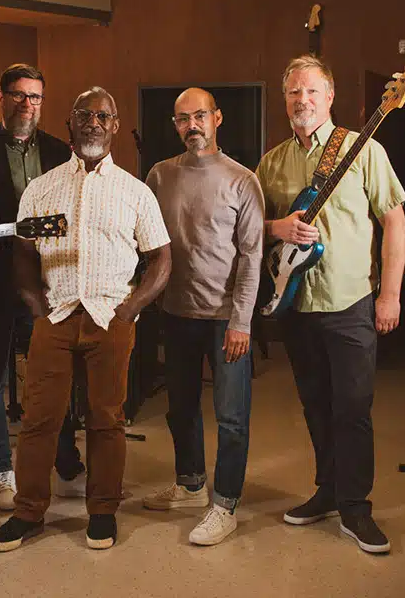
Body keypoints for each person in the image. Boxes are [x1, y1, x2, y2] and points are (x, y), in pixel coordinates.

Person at [0, 87, 172, 552]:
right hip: (55, 315)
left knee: (106, 419)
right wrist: (37, 308)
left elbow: (161, 259)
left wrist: (129, 310)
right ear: (70, 123)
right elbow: (23, 255)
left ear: (115, 126)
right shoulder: (41, 188)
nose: (94, 122)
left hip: (110, 319)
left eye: (103, 116)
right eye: (84, 114)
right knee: (38, 418)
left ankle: (102, 511)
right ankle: (28, 512)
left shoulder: (135, 192)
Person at [255, 54, 405, 554]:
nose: (302, 100)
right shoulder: (271, 163)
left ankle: (356, 506)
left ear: (330, 97)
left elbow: (395, 223)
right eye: (294, 92)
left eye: (312, 91)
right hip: (296, 305)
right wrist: (276, 227)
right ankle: (327, 490)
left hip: (350, 303)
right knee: (315, 403)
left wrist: (390, 294)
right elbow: (247, 226)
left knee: (353, 407)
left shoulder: (364, 149)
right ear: (285, 100)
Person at [142, 87, 265, 546]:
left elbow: (251, 256)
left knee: (231, 417)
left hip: (225, 319)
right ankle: (191, 485)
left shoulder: (242, 180)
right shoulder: (159, 176)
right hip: (176, 314)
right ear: (175, 125)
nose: (191, 125)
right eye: (182, 119)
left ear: (217, 118)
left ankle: (225, 504)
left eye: (199, 116)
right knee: (181, 408)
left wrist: (241, 322)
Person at [0, 63, 85, 512]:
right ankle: (1, 471)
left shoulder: (60, 152)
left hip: (47, 283)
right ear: (1, 98)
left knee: (54, 375)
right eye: (18, 95)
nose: (27, 104)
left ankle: (66, 463)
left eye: (35, 96)